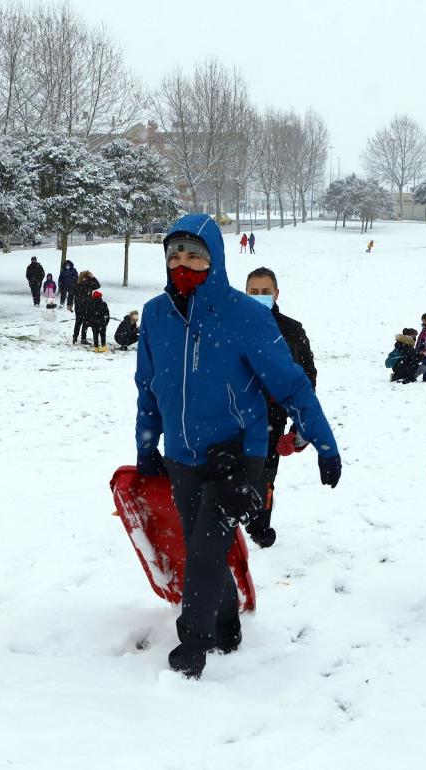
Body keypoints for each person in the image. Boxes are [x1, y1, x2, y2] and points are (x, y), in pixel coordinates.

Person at [135, 214, 342, 679]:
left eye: (194, 255)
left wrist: (324, 445)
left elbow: (292, 385)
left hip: (237, 454)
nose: (183, 264)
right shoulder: (154, 315)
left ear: (215, 259)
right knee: (201, 546)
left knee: (207, 551)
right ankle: (226, 622)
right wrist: (146, 445)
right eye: (174, 256)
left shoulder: (244, 315)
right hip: (183, 457)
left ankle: (193, 644)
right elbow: (148, 387)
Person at [242, 266, 318, 549]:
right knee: (225, 471)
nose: (260, 296)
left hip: (272, 417)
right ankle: (225, 524)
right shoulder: (230, 325)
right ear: (245, 293)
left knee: (263, 475)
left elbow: (307, 377)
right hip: (231, 414)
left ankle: (259, 527)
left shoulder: (292, 330)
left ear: (276, 293)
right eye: (254, 292)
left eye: (265, 292)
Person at [71, 270, 101, 344]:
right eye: (84, 277)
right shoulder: (77, 284)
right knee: (78, 322)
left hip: (88, 306)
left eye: (87, 277)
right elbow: (71, 294)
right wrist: (69, 304)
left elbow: (98, 286)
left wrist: (93, 277)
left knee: (86, 323)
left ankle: (83, 338)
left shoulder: (90, 283)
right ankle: (75, 337)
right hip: (79, 306)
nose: (85, 279)